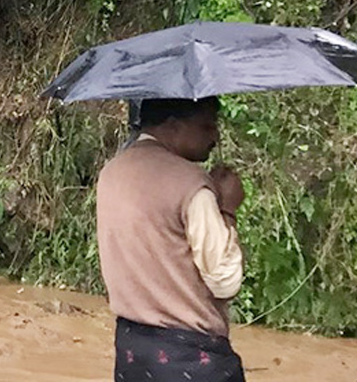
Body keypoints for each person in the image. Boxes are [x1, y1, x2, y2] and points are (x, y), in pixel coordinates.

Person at [96, 96, 246, 382]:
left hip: (132, 354)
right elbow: (225, 282)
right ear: (174, 126)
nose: (215, 136)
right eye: (206, 126)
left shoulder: (111, 173)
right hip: (190, 358)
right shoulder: (191, 185)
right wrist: (227, 209)